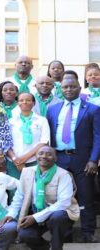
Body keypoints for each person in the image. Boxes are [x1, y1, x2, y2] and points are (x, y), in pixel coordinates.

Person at [47, 73, 100, 243]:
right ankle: (66, 233)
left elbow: (98, 136)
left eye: (72, 86)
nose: (68, 89)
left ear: (79, 88)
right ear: (60, 89)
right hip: (59, 160)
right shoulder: (53, 109)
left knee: (86, 197)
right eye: (65, 87)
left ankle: (88, 233)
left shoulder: (92, 109)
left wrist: (94, 160)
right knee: (63, 198)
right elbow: (49, 137)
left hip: (83, 160)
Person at [0, 146, 80, 250]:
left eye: (49, 154)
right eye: (41, 153)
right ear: (36, 156)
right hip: (35, 211)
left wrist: (35, 217)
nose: (44, 156)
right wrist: (11, 213)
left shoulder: (63, 174)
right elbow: (19, 196)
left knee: (57, 217)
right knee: (25, 234)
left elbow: (63, 203)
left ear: (56, 158)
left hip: (60, 212)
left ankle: (57, 247)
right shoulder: (27, 172)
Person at [6, 93, 50, 179]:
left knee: (33, 189)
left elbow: (44, 142)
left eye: (28, 100)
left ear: (33, 103)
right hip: (13, 163)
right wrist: (15, 159)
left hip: (34, 162)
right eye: (21, 100)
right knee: (14, 190)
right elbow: (6, 142)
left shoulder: (42, 120)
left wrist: (23, 159)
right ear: (17, 103)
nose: (24, 102)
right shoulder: (11, 121)